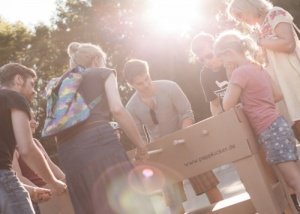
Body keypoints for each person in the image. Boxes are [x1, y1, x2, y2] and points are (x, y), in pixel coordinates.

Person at [55, 42, 153, 214]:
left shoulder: (61, 83)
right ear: (97, 59)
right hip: (100, 145)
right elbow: (117, 109)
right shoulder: (102, 73)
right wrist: (141, 145)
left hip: (69, 156)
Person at [123, 59, 223, 214]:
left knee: (209, 186)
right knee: (174, 203)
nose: (146, 85)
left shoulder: (169, 86)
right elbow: (140, 137)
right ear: (131, 84)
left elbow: (186, 112)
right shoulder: (131, 107)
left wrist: (184, 134)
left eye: (147, 79)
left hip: (186, 145)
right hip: (161, 155)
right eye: (140, 83)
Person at [214, 29, 300, 205]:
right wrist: (254, 100)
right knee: (295, 172)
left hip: (269, 129)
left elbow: (227, 104)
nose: (223, 64)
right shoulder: (257, 67)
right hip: (279, 124)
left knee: (293, 179)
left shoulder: (240, 73)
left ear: (229, 53)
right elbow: (277, 94)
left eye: (222, 59)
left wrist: (231, 77)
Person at [227, 0, 300, 142]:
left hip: (293, 77)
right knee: (294, 125)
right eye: (237, 18)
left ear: (248, 6)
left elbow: (288, 44)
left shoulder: (275, 13)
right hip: (279, 85)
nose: (241, 20)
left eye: (239, 15)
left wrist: (259, 41)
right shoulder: (257, 29)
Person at [0, 63, 67, 214]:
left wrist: (29, 190)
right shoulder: (13, 97)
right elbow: (26, 149)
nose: (34, 92)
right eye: (32, 84)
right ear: (18, 80)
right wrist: (54, 183)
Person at [12, 110, 67, 214]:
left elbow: (51, 166)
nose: (34, 122)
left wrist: (64, 181)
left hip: (51, 189)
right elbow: (18, 177)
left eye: (35, 119)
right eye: (29, 119)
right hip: (38, 196)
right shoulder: (12, 149)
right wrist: (39, 191)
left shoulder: (36, 143)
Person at [190, 32, 229, 116]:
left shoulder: (231, 61)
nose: (207, 62)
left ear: (217, 48)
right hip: (234, 116)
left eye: (209, 56)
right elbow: (215, 105)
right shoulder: (205, 75)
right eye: (202, 60)